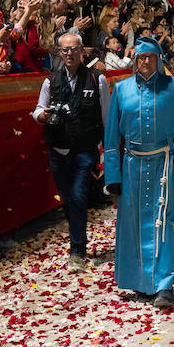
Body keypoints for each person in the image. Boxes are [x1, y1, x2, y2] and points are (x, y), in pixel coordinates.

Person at [103, 36, 174, 307]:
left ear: (159, 60)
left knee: (167, 221)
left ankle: (164, 284)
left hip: (165, 162)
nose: (145, 62)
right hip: (132, 167)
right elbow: (113, 135)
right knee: (135, 223)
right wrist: (112, 176)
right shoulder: (122, 89)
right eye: (140, 58)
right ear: (134, 61)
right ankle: (141, 281)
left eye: (150, 57)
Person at [35, 32, 110, 268]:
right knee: (68, 199)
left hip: (84, 148)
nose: (69, 54)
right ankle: (77, 241)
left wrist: (107, 152)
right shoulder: (51, 80)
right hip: (58, 149)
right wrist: (42, 116)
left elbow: (106, 117)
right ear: (59, 53)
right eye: (65, 50)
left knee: (78, 196)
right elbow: (37, 109)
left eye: (73, 49)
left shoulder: (97, 80)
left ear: (82, 51)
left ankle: (77, 249)